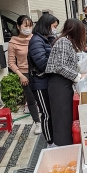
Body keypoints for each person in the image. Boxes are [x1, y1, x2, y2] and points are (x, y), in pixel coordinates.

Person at [46, 19, 86, 146]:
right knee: (62, 120)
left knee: (65, 117)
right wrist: (79, 76)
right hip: (59, 85)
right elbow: (60, 66)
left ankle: (65, 145)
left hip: (63, 84)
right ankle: (63, 147)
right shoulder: (63, 42)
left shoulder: (66, 42)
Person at [28, 14, 59, 147]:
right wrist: (58, 64)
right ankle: (49, 142)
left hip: (47, 81)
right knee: (46, 114)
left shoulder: (46, 39)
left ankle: (53, 138)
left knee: (51, 113)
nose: (55, 30)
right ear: (46, 26)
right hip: (40, 83)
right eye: (54, 27)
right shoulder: (36, 41)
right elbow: (42, 63)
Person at [7, 15, 41, 135]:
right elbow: (11, 62)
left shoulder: (35, 38)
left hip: (38, 71)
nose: (28, 28)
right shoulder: (13, 42)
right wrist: (20, 75)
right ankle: (37, 123)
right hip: (24, 73)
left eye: (30, 25)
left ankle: (46, 118)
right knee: (31, 100)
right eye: (26, 25)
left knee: (42, 97)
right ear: (18, 26)